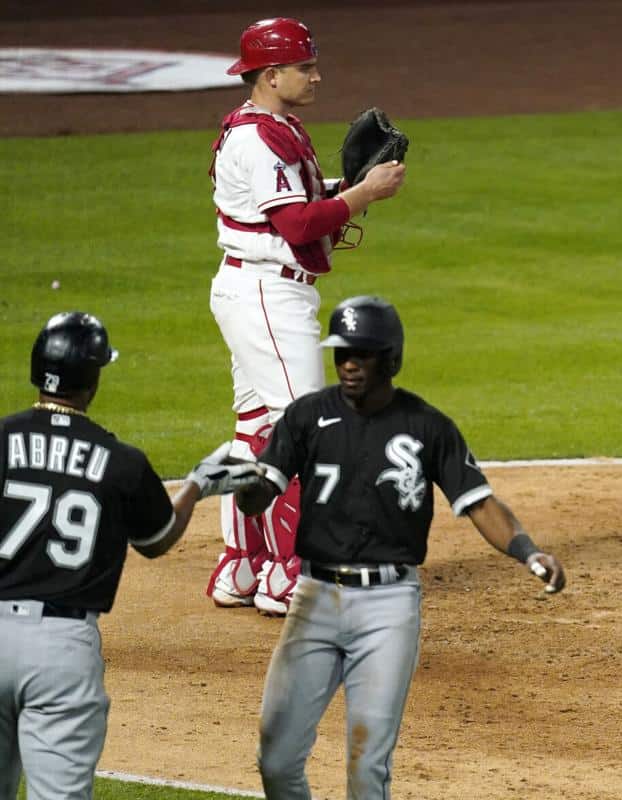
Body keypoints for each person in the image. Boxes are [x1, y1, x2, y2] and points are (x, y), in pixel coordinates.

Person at [233, 296, 566, 798]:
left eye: (360, 354)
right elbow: (260, 496)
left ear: (390, 359)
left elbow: (478, 502)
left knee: (367, 769)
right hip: (314, 598)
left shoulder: (426, 426)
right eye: (341, 352)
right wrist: (241, 482)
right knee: (276, 760)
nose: (347, 363)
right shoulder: (305, 417)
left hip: (388, 609)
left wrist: (528, 550)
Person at [0, 312, 260, 799]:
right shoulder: (120, 461)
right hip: (60, 651)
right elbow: (156, 538)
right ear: (92, 379)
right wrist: (199, 484)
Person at [206, 17, 407, 616]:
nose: (316, 75)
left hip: (256, 290)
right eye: (304, 67)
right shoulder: (257, 138)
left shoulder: (275, 126)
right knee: (308, 432)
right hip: (267, 294)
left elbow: (299, 203)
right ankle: (290, 576)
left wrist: (351, 183)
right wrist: (362, 196)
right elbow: (295, 226)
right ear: (271, 75)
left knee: (256, 433)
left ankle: (243, 566)